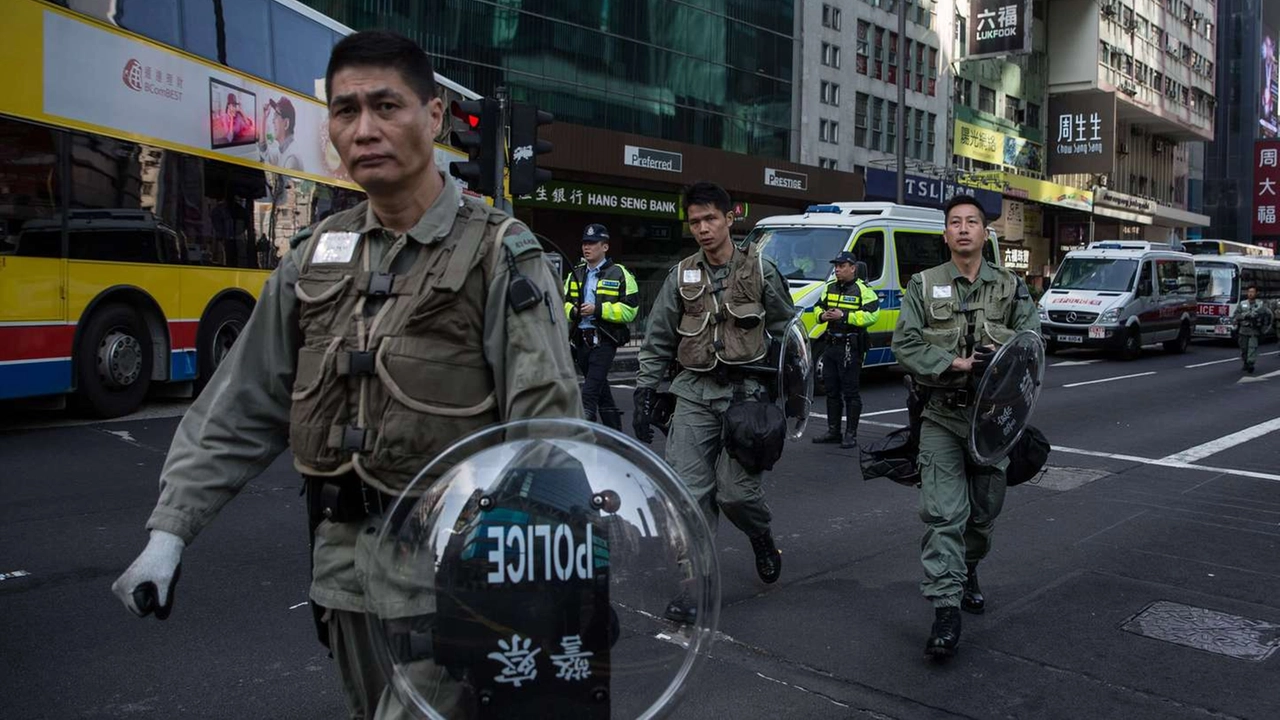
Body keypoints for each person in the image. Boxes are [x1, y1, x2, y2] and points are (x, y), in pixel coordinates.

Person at [110, 31, 580, 719]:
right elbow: (243, 403)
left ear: (434, 117)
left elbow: (545, 428)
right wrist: (169, 533)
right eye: (345, 110)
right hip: (343, 577)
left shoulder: (499, 254)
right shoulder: (313, 259)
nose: (364, 129)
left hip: (459, 580)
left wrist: (541, 584)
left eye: (386, 106)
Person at [633, 181, 796, 623]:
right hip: (693, 392)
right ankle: (695, 584)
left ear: (730, 217)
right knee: (688, 494)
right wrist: (645, 391)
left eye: (710, 219)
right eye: (695, 222)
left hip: (747, 397)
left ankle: (760, 536)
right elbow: (659, 337)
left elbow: (788, 333)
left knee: (736, 495)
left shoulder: (761, 269)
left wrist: (788, 397)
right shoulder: (681, 274)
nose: (703, 229)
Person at [890, 195, 1040, 660]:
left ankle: (968, 567)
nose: (962, 229)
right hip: (942, 414)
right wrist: (952, 361)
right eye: (954, 223)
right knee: (943, 517)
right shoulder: (923, 285)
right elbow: (905, 342)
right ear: (945, 234)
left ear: (984, 232)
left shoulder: (1011, 288)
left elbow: (1032, 345)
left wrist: (1003, 361)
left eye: (971, 222)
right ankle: (945, 609)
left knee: (982, 516)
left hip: (993, 422)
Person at [563, 223, 639, 430]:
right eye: (585, 243)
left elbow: (631, 310)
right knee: (602, 392)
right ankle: (617, 437)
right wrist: (573, 311)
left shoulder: (620, 273)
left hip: (605, 339)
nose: (587, 247)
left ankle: (582, 434)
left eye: (592, 243)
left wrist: (597, 309)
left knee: (589, 393)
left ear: (605, 247)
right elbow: (561, 302)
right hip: (580, 340)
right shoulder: (575, 273)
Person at [811, 251, 880, 449]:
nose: (837, 270)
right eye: (836, 266)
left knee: (851, 392)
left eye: (841, 266)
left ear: (853, 268)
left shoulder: (862, 289)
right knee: (831, 391)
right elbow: (817, 307)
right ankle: (833, 431)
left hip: (851, 346)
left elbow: (873, 314)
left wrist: (844, 316)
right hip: (831, 345)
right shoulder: (830, 287)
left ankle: (851, 434)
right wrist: (822, 316)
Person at [1233, 283, 1274, 373]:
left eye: (1252, 292)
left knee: (1252, 347)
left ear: (1256, 293)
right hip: (1243, 330)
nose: (1251, 294)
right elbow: (1236, 315)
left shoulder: (1261, 304)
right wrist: (1244, 316)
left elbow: (1268, 315)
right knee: (1244, 348)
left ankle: (1251, 363)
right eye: (1249, 292)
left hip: (1254, 330)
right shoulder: (1242, 304)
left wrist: (1263, 326)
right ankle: (1245, 362)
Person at [260, 97, 304, 172]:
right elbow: (264, 151)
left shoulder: (291, 159)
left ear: (286, 123)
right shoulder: (282, 151)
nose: (273, 121)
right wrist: (264, 117)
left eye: (276, 116)